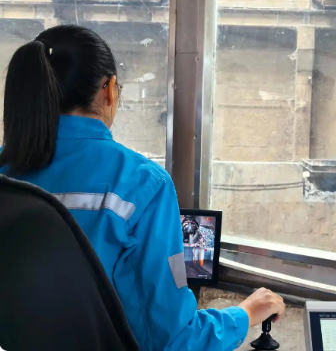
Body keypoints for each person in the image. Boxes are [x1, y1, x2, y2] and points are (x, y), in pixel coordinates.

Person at [0, 25, 285, 350]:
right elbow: (173, 340)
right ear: (108, 90)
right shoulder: (143, 184)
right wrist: (245, 314)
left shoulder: (6, 172)